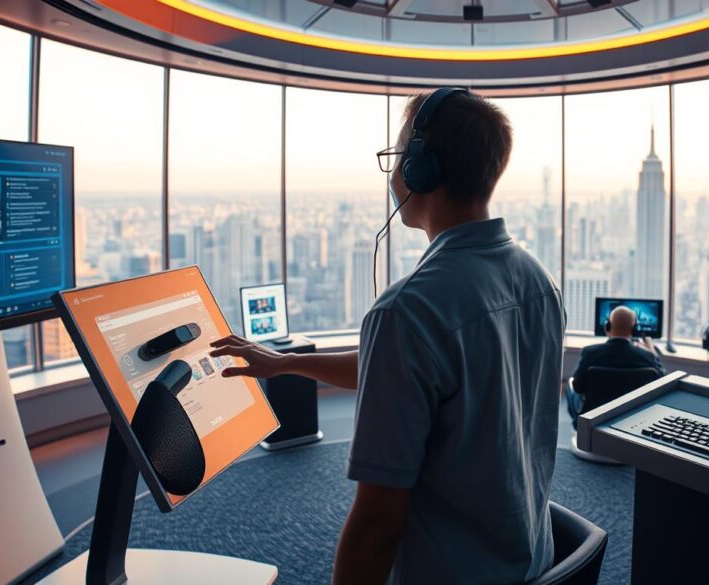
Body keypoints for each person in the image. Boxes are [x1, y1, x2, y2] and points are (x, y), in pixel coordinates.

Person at [210, 88, 565, 585]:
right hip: (528, 556)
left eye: (399, 156)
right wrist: (285, 363)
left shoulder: (409, 310)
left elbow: (377, 524)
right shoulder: (538, 281)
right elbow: (405, 371)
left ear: (420, 169)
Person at [566, 305, 666, 428]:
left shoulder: (590, 352)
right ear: (633, 330)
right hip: (633, 420)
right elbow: (663, 384)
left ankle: (580, 429)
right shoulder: (647, 356)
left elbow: (578, 387)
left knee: (569, 386)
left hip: (594, 421)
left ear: (607, 326)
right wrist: (653, 353)